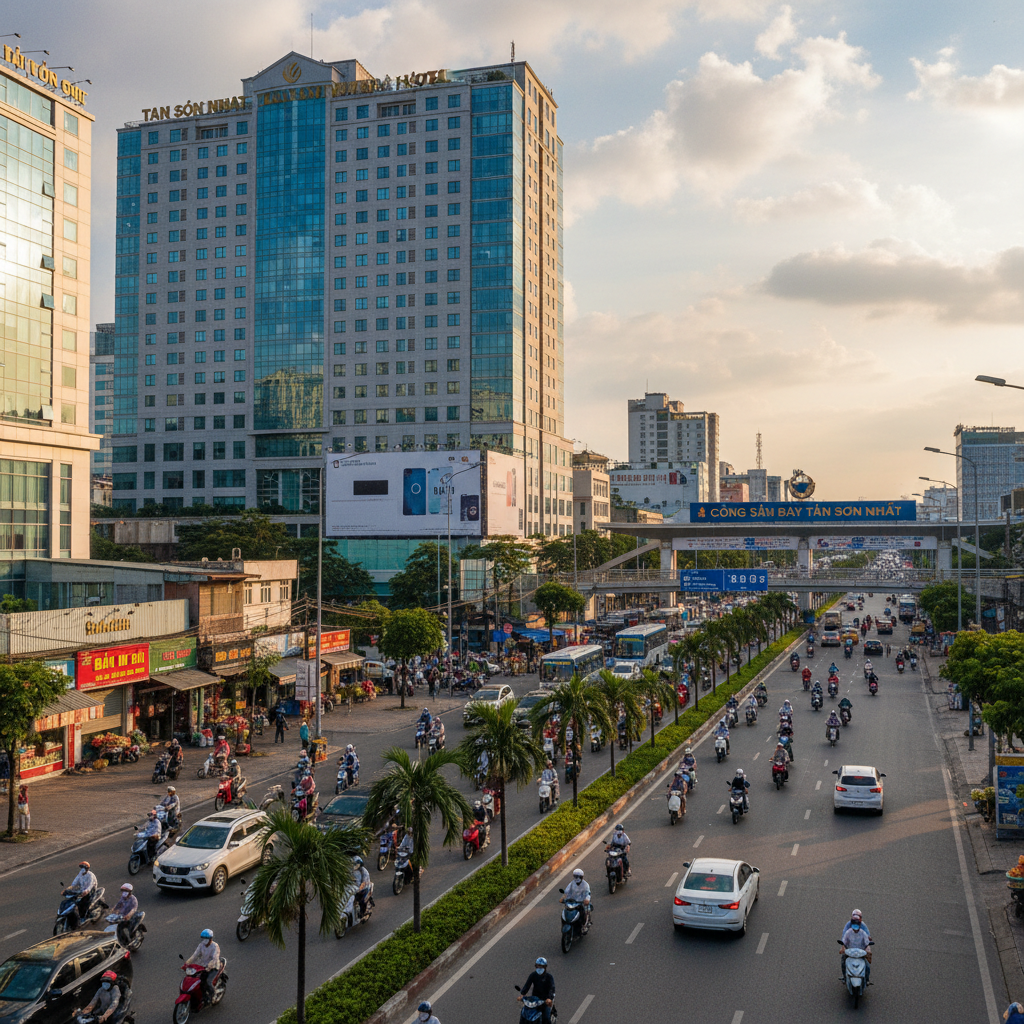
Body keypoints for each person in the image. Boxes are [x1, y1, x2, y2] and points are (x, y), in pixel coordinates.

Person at [188, 929, 222, 1007]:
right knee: (196, 979)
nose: (204, 941)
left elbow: (215, 958)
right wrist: (187, 963)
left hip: (213, 967)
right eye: (203, 938)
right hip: (203, 966)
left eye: (206, 939)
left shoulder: (215, 946)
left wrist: (209, 966)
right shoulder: (201, 945)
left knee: (208, 982)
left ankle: (213, 995)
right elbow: (195, 955)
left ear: (211, 939)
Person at [519, 957, 557, 1024]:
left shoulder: (549, 977)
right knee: (524, 1013)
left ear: (545, 967)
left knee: (546, 1018)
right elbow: (527, 985)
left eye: (541, 966)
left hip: (545, 1000)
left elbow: (552, 988)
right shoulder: (533, 975)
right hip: (534, 999)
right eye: (538, 966)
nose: (539, 967)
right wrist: (522, 994)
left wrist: (549, 998)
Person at [840, 910, 871, 982]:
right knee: (843, 961)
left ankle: (867, 979)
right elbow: (844, 937)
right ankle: (844, 977)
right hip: (850, 950)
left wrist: (868, 946)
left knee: (867, 965)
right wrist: (843, 946)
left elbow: (867, 938)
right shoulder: (848, 931)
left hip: (861, 951)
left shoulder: (863, 932)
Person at [352, 856, 371, 920]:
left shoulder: (363, 871)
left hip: (359, 889)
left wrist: (359, 889)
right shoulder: (349, 871)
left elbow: (365, 883)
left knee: (362, 899)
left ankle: (363, 912)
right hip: (350, 889)